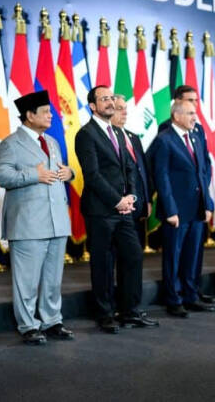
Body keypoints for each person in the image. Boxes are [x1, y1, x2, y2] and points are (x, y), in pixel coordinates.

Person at [0, 90, 75, 346]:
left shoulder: (51, 141)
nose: (51, 116)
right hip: (28, 223)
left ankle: (52, 320)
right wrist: (33, 175)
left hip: (57, 220)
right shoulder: (10, 144)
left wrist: (69, 173)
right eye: (46, 112)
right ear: (29, 115)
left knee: (53, 279)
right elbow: (0, 176)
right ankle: (28, 325)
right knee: (26, 280)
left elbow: (59, 171)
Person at [75, 85, 159, 333]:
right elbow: (92, 175)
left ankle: (130, 311)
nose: (110, 102)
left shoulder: (118, 132)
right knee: (102, 264)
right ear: (93, 106)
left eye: (111, 97)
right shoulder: (86, 134)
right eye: (104, 99)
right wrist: (117, 200)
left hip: (124, 210)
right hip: (100, 211)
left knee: (133, 255)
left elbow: (130, 168)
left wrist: (131, 196)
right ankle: (105, 314)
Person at [150, 100, 215, 317]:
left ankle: (191, 296)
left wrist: (207, 203)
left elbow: (203, 172)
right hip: (176, 211)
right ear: (176, 116)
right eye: (190, 113)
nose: (194, 117)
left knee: (192, 255)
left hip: (197, 209)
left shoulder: (195, 136)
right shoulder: (164, 140)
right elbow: (161, 177)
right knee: (173, 257)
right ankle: (173, 299)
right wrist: (170, 210)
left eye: (194, 113)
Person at [113, 95, 154, 245]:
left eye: (125, 108)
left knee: (137, 250)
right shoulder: (108, 139)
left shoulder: (133, 137)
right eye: (119, 109)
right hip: (121, 206)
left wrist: (147, 200)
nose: (124, 112)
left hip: (139, 205)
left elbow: (143, 171)